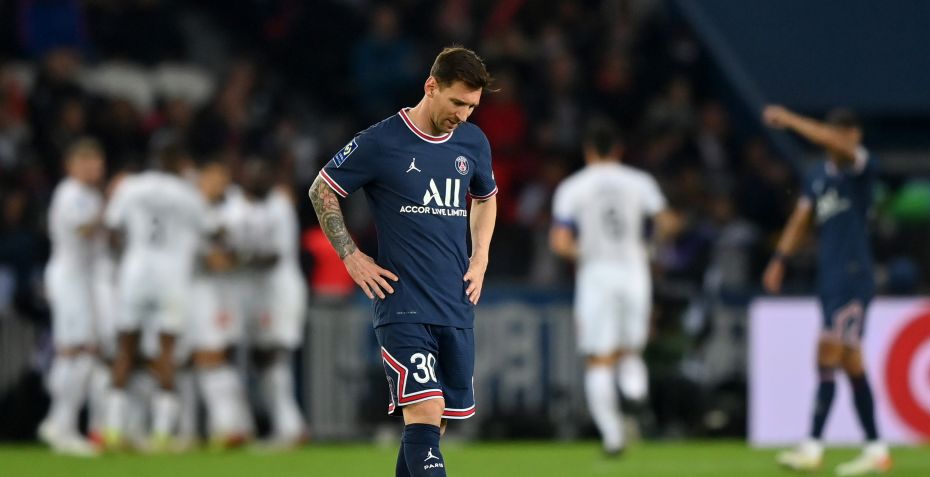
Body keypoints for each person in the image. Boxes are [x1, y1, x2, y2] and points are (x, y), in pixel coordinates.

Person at [309, 46, 497, 477]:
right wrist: (351, 255)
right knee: (426, 411)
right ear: (431, 86)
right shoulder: (381, 141)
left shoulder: (472, 142)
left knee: (432, 425)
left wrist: (481, 256)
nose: (463, 115)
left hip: (454, 303)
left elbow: (486, 198)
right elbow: (322, 188)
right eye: (457, 102)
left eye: (472, 106)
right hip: (403, 304)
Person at [762, 105, 891, 476]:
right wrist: (780, 258)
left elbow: (838, 144)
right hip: (830, 277)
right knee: (851, 362)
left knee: (828, 352)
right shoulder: (818, 176)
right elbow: (800, 218)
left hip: (853, 275)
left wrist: (789, 120)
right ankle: (876, 449)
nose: (843, 141)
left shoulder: (861, 166)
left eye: (847, 134)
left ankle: (813, 446)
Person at [549, 118, 679, 456]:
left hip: (596, 274)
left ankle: (613, 436)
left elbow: (560, 241)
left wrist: (584, 251)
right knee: (630, 351)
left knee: (599, 358)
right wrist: (653, 246)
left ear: (588, 150)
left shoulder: (573, 187)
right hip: (634, 271)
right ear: (618, 150)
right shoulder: (640, 181)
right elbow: (668, 222)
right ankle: (635, 394)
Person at [103, 145, 212, 451]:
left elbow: (112, 229)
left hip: (135, 273)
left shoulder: (130, 187)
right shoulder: (188, 193)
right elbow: (211, 229)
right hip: (172, 278)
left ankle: (112, 430)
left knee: (125, 350)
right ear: (178, 162)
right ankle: (162, 434)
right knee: (167, 353)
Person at [225, 158, 307, 447]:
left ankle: (290, 427)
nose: (256, 180)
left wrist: (237, 257)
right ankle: (283, 425)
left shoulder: (279, 207)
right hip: (261, 295)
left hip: (281, 292)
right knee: (263, 357)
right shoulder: (250, 206)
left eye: (261, 175)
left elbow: (274, 256)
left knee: (274, 355)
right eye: (252, 174)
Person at [39, 138, 106, 456]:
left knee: (81, 351)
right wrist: (108, 213)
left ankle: (60, 422)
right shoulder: (70, 192)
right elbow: (83, 229)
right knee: (77, 350)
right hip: (68, 278)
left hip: (83, 280)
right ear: (71, 166)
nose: (92, 167)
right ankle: (60, 424)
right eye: (85, 161)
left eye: (96, 161)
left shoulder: (91, 195)